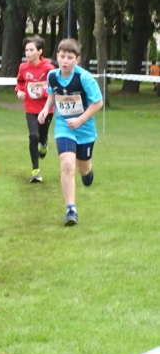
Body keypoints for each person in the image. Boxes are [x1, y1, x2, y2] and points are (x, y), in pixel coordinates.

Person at [38, 38, 103, 227]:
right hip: (64, 126)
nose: (65, 60)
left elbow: (98, 102)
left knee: (83, 168)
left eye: (70, 57)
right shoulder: (52, 76)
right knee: (67, 164)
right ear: (57, 56)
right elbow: (53, 93)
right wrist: (45, 109)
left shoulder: (84, 78)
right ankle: (70, 209)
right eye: (62, 56)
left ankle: (88, 173)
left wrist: (81, 120)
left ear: (77, 59)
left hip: (85, 129)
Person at [15, 35, 56, 183]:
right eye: (26, 50)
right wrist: (18, 91)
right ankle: (35, 170)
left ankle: (44, 144)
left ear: (40, 51)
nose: (28, 53)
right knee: (33, 135)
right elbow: (19, 81)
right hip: (30, 108)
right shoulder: (23, 67)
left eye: (31, 50)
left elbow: (55, 87)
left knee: (42, 135)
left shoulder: (49, 68)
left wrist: (44, 92)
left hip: (46, 108)